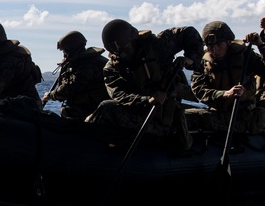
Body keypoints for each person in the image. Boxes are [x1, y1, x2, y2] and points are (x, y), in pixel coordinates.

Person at [87, 19, 203, 152]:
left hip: (164, 119)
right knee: (106, 108)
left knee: (107, 109)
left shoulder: (157, 45)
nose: (122, 54)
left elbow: (189, 33)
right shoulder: (113, 67)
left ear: (133, 40)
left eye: (125, 49)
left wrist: (191, 59)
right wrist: (147, 100)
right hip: (141, 112)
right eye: (117, 52)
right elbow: (118, 94)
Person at [187, 13, 265, 134]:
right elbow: (198, 90)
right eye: (210, 46)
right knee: (181, 116)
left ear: (228, 42)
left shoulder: (244, 56)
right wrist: (224, 94)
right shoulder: (204, 62)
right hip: (217, 113)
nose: (215, 50)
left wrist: (261, 44)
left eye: (219, 45)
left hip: (242, 116)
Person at [42, 31, 108, 120]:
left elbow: (70, 87)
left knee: (67, 111)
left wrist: (51, 95)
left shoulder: (87, 64)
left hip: (93, 108)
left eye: (65, 51)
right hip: (94, 105)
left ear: (71, 49)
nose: (64, 54)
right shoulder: (85, 60)